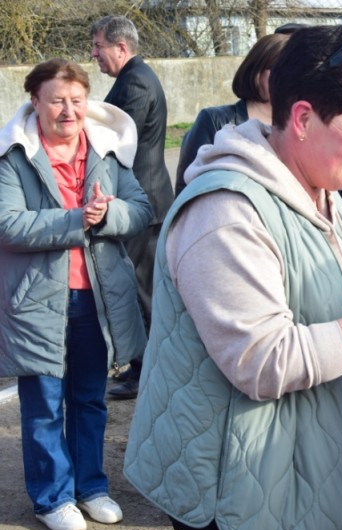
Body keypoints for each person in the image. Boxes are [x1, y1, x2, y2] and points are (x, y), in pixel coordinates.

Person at [123, 25, 342, 530]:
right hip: (247, 491)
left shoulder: (320, 189)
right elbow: (263, 357)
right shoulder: (226, 212)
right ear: (301, 118)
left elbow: (337, 309)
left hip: (321, 467)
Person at [0, 59, 152, 530]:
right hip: (37, 300)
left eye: (77, 100)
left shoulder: (105, 151)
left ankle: (91, 486)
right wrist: (74, 220)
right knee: (44, 404)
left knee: (90, 399)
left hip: (97, 298)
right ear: (35, 102)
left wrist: (107, 216)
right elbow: (7, 223)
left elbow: (142, 209)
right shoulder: (14, 157)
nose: (68, 110)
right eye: (57, 100)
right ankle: (52, 496)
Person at [91, 15, 174, 399]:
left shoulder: (137, 82)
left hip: (145, 201)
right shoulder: (132, 78)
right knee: (140, 288)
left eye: (98, 47)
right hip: (140, 200)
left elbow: (119, 138)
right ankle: (143, 368)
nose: (94, 55)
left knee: (143, 291)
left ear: (120, 48)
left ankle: (146, 372)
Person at [175, 32, 290, 195]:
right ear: (257, 71)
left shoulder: (297, 126)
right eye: (280, 71)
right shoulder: (214, 120)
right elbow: (186, 187)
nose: (288, 79)